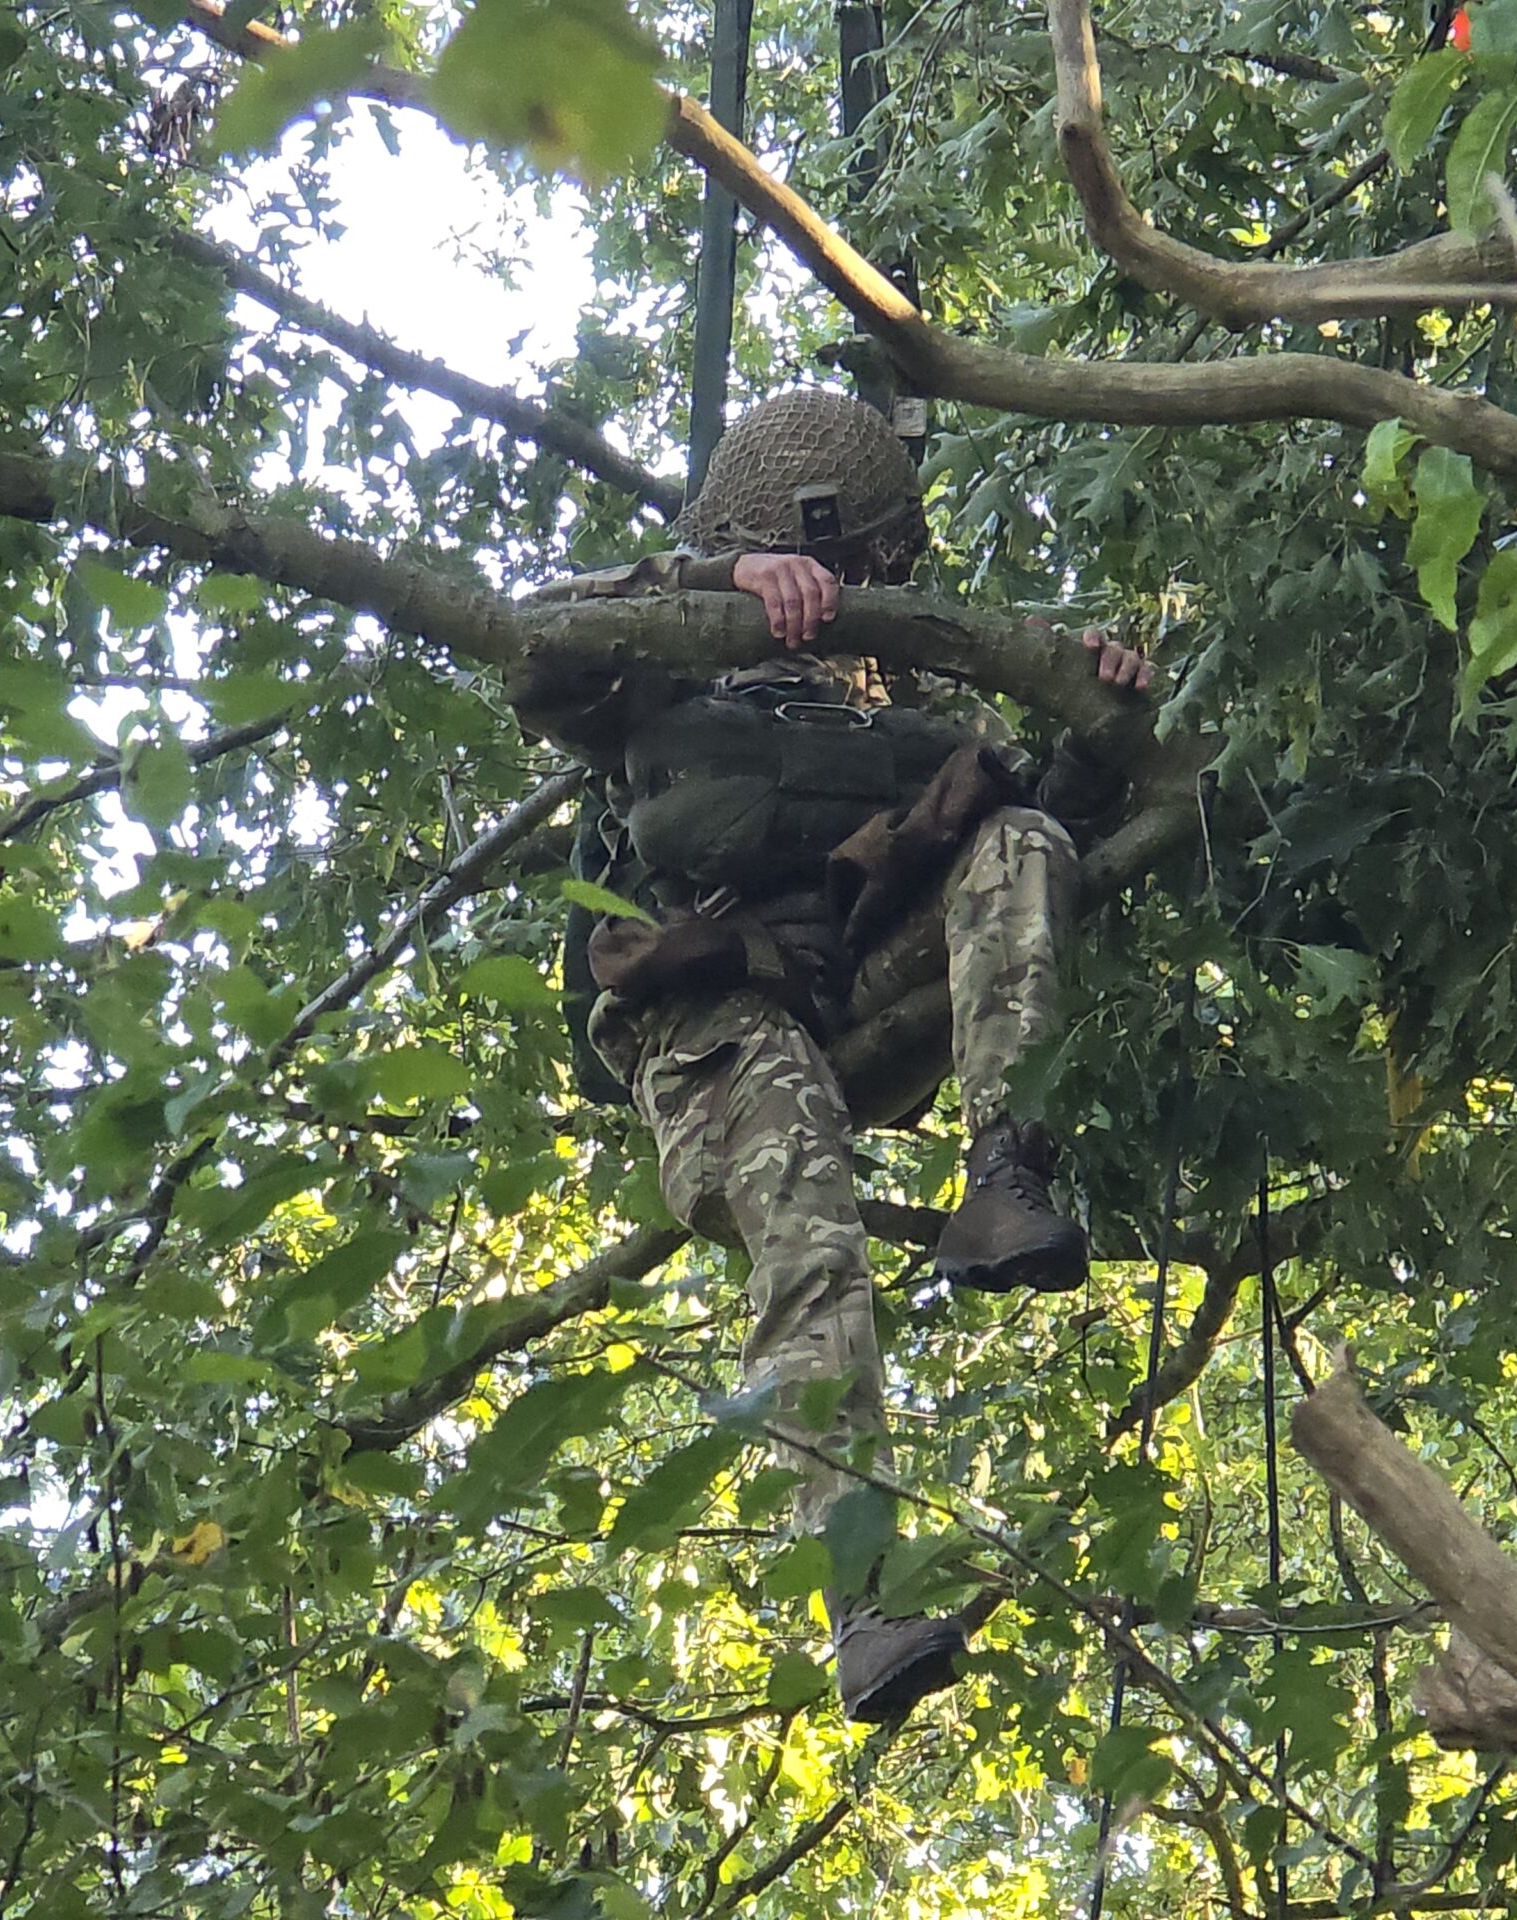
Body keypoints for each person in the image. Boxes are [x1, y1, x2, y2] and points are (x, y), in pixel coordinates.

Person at [510, 389, 1150, 1721]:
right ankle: (863, 1595)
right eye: (818, 563)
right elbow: (532, 636)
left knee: (1022, 843)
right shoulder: (662, 667)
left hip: (866, 1002)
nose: (838, 589)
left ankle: (1006, 1180)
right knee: (812, 1241)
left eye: (853, 568)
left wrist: (1102, 715)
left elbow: (1034, 851)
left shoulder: (901, 704)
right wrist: (716, 581)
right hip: (718, 1025)